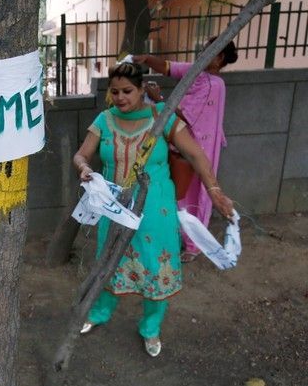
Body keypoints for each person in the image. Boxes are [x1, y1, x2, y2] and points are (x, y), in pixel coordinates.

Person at [73, 62, 234, 357]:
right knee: (109, 260)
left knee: (156, 265)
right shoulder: (105, 120)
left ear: (141, 89)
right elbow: (82, 154)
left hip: (156, 205)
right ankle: (98, 313)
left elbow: (195, 154)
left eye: (127, 91)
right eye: (115, 92)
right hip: (115, 205)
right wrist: (83, 167)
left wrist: (214, 189)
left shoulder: (162, 118)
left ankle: (151, 328)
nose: (121, 98)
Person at [133, 37, 238, 262]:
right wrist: (147, 59)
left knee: (196, 193)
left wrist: (158, 98)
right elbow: (169, 68)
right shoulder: (197, 72)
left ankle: (193, 245)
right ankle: (182, 238)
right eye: (204, 48)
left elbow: (183, 114)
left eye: (210, 51)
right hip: (185, 144)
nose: (203, 53)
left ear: (219, 58)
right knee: (182, 192)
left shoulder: (212, 84)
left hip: (197, 147)